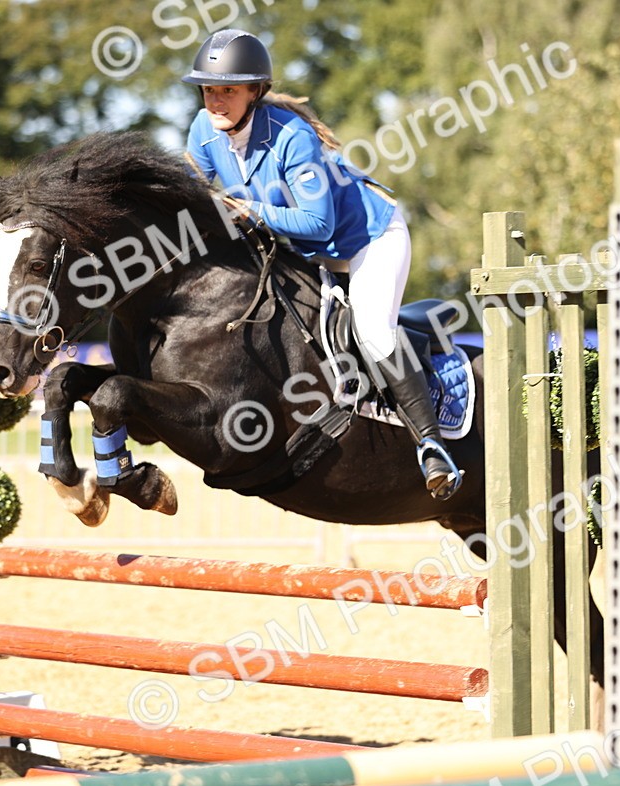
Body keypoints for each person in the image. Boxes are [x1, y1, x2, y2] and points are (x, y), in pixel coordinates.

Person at [181, 29, 461, 500]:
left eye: (228, 89)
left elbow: (315, 221)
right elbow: (199, 206)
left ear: (256, 91)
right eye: (209, 89)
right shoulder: (202, 133)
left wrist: (251, 212)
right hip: (304, 250)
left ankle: (431, 444)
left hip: (368, 239)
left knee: (372, 329)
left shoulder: (291, 136)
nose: (216, 100)